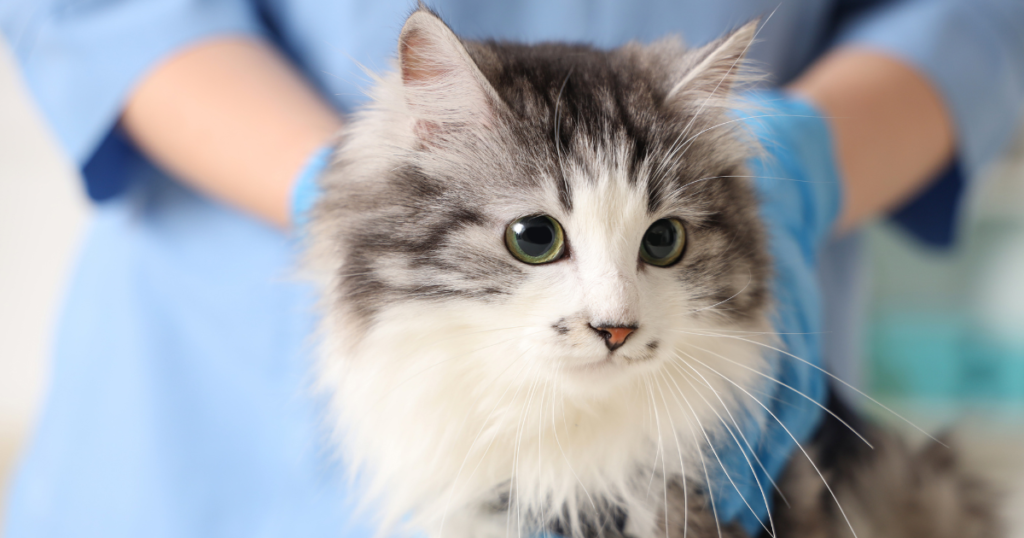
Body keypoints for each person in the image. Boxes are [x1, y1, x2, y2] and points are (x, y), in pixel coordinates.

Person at [1, 1, 1022, 536]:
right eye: (541, 241)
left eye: (652, 245)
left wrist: (807, 156)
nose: (610, 313)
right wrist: (336, 188)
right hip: (201, 441)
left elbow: (979, 14)